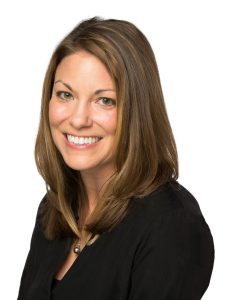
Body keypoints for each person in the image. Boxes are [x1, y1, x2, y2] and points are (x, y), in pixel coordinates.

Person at [17, 17, 214, 300]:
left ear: (137, 112)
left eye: (105, 100)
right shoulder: (55, 209)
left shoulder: (173, 227)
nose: (78, 119)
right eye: (65, 94)